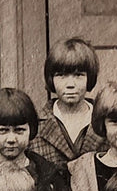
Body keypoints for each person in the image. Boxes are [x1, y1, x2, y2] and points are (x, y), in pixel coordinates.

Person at [29, 36, 104, 166]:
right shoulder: (36, 125)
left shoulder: (104, 121)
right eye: (61, 75)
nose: (70, 84)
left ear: (89, 77)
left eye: (78, 75)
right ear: (51, 79)